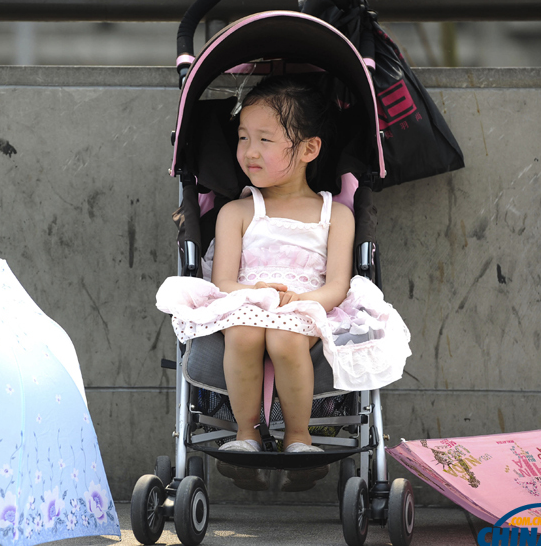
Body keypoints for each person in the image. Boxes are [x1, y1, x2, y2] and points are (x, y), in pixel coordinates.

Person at [156, 75, 411, 461]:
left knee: (285, 339)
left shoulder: (336, 214)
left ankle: (298, 434)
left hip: (311, 305)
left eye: (264, 139)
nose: (249, 151)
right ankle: (247, 433)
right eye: (243, 137)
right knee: (243, 333)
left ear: (309, 149)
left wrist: (300, 300)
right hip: (246, 302)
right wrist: (259, 292)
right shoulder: (236, 211)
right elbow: (223, 280)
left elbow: (338, 285)